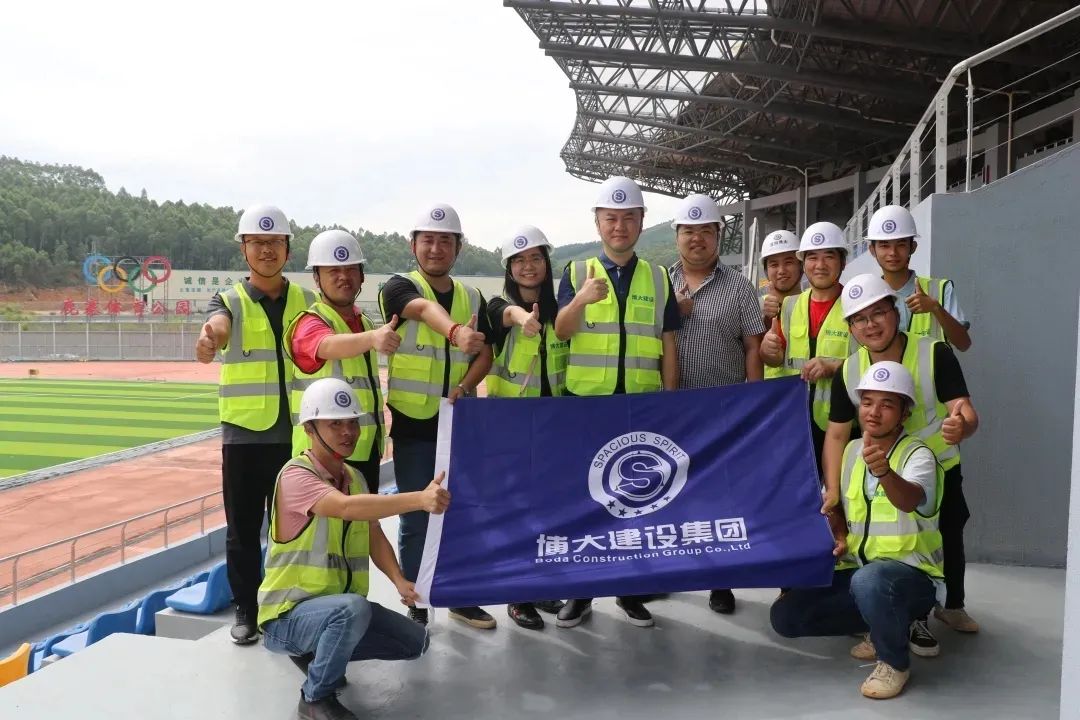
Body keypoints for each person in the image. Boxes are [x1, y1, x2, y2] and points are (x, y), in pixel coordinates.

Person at [258, 377, 450, 720]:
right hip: (287, 616)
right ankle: (314, 699)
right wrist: (420, 500)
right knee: (352, 610)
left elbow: (373, 533)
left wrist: (398, 581)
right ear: (310, 428)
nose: (348, 432)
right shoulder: (296, 476)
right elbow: (346, 508)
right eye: (335, 424)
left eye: (352, 422)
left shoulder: (355, 478)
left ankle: (319, 653)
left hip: (336, 610)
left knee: (414, 642)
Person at [822, 273, 980, 656]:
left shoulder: (933, 353)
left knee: (947, 534)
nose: (870, 325)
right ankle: (898, 615)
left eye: (878, 313)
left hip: (936, 465)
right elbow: (837, 434)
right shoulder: (850, 369)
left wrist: (962, 426)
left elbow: (963, 409)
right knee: (884, 543)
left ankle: (951, 605)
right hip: (878, 473)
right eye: (859, 319)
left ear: (896, 312)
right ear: (850, 327)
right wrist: (833, 490)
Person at [771, 362, 944, 700]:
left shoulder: (918, 455)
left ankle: (894, 662)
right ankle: (881, 625)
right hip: (862, 572)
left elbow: (910, 499)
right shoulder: (851, 451)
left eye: (887, 404)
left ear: (905, 413)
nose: (874, 412)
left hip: (912, 578)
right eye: (867, 402)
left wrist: (885, 473)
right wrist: (837, 531)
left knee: (870, 581)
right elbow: (840, 512)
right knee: (785, 617)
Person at [553, 175, 681, 629]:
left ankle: (630, 591)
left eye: (629, 218)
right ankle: (581, 593)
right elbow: (562, 330)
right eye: (611, 218)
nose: (619, 226)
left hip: (640, 406)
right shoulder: (576, 273)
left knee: (636, 500)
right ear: (598, 222)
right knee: (586, 500)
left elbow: (668, 341)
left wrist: (670, 398)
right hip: (587, 405)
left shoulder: (658, 277)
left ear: (642, 222)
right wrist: (581, 300)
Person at [195, 204, 317, 645]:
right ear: (244, 249)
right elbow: (218, 326)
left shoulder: (308, 301)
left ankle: (292, 603)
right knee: (244, 529)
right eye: (258, 243)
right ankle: (247, 608)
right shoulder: (228, 300)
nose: (267, 250)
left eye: (275, 242)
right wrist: (211, 338)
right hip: (245, 436)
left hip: (300, 435)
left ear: (288, 249)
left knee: (298, 527)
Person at [378, 203, 496, 630]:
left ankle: (460, 595)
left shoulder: (472, 297)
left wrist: (465, 385)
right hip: (414, 423)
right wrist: (455, 331)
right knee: (416, 515)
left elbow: (485, 353)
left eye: (445, 241)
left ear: (458, 248)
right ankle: (417, 599)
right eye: (427, 240)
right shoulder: (398, 288)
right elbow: (425, 311)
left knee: (461, 511)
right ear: (413, 245)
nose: (436, 248)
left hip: (458, 423)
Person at [668, 193, 763, 615]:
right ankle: (665, 571)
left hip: (723, 409)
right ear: (677, 236)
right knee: (668, 492)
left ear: (718, 236)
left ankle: (720, 579)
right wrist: (672, 311)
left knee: (720, 497)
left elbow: (753, 347)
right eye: (688, 231)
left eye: (705, 231)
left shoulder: (740, 287)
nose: (697, 239)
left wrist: (755, 405)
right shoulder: (658, 283)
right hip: (670, 409)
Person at [484, 225, 569, 629]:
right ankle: (518, 595)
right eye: (519, 260)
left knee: (548, 510)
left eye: (535, 258)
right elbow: (507, 314)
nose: (528, 266)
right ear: (509, 268)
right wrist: (523, 318)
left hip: (555, 425)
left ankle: (543, 586)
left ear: (546, 263)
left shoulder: (561, 310)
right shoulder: (497, 307)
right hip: (513, 428)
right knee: (517, 512)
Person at [285, 229, 399, 495]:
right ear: (317, 278)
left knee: (363, 520)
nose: (343, 277)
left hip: (363, 449)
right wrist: (372, 338)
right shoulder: (309, 322)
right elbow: (325, 345)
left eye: (350, 270)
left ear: (362, 275)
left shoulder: (364, 323)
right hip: (322, 457)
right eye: (333, 271)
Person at [760, 221, 855, 496]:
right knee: (798, 496)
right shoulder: (789, 307)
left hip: (844, 424)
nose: (820, 265)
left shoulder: (856, 304)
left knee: (841, 497)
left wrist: (834, 367)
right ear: (805, 263)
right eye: (813, 257)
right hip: (796, 424)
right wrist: (767, 350)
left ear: (842, 262)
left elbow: (874, 362)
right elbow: (776, 361)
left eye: (829, 256)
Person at [865, 205, 971, 351]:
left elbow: (964, 344)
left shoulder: (939, 290)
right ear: (872, 250)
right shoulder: (867, 297)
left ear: (913, 247)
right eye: (884, 245)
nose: (893, 252)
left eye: (901, 244)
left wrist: (935, 308)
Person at [758, 230, 803, 379]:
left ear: (801, 265)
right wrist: (766, 319)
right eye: (774, 264)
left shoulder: (811, 303)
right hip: (769, 390)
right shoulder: (755, 306)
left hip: (804, 388)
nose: (781, 271)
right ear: (766, 270)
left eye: (788, 262)